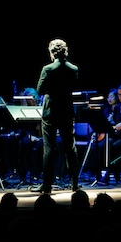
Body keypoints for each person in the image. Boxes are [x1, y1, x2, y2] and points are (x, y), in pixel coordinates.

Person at [34, 38, 81, 194]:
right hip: (66, 110)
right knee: (70, 147)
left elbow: (40, 90)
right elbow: (74, 86)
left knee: (49, 149)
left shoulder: (48, 68)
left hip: (51, 111)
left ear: (52, 52)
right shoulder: (73, 68)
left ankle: (47, 185)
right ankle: (75, 184)